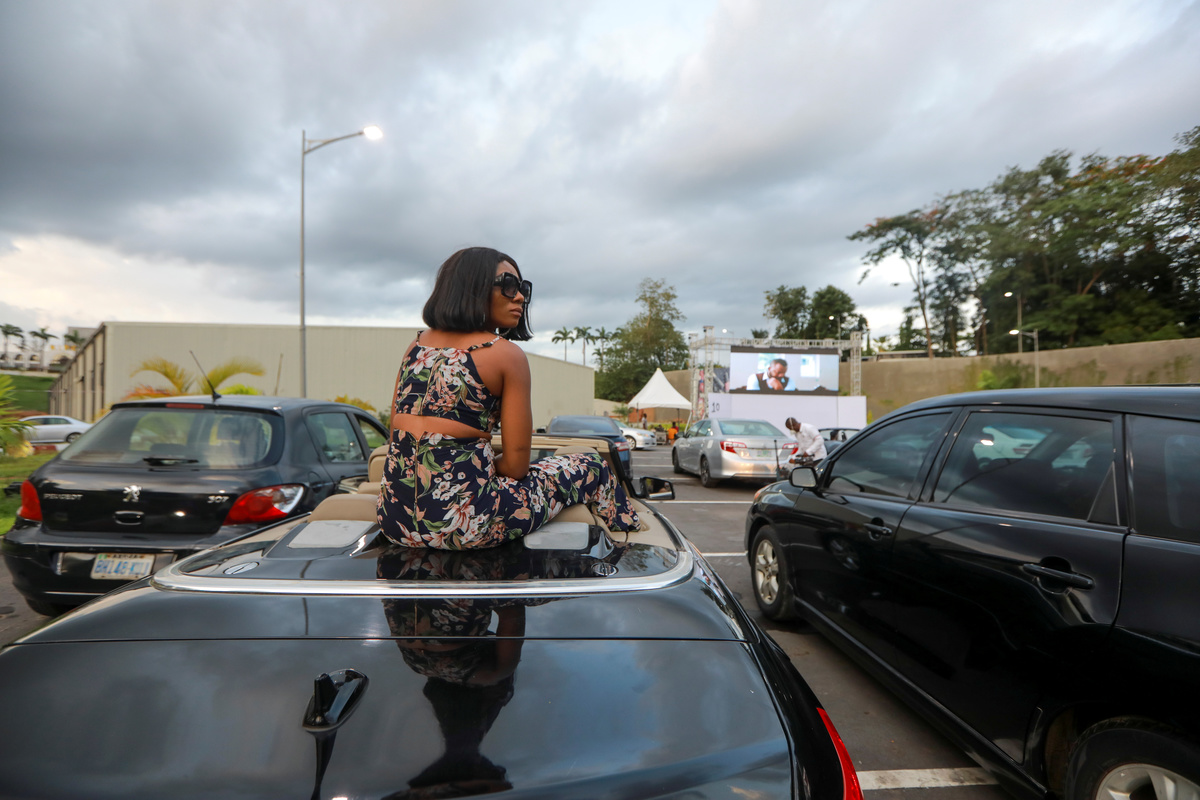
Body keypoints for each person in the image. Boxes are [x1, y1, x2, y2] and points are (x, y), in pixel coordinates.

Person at [377, 247, 641, 549]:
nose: (520, 297)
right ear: (472, 287)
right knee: (592, 465)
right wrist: (471, 465)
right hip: (467, 526)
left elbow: (396, 437)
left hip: (394, 521)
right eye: (509, 286)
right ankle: (630, 540)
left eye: (523, 288)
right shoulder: (505, 354)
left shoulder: (415, 347)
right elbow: (517, 467)